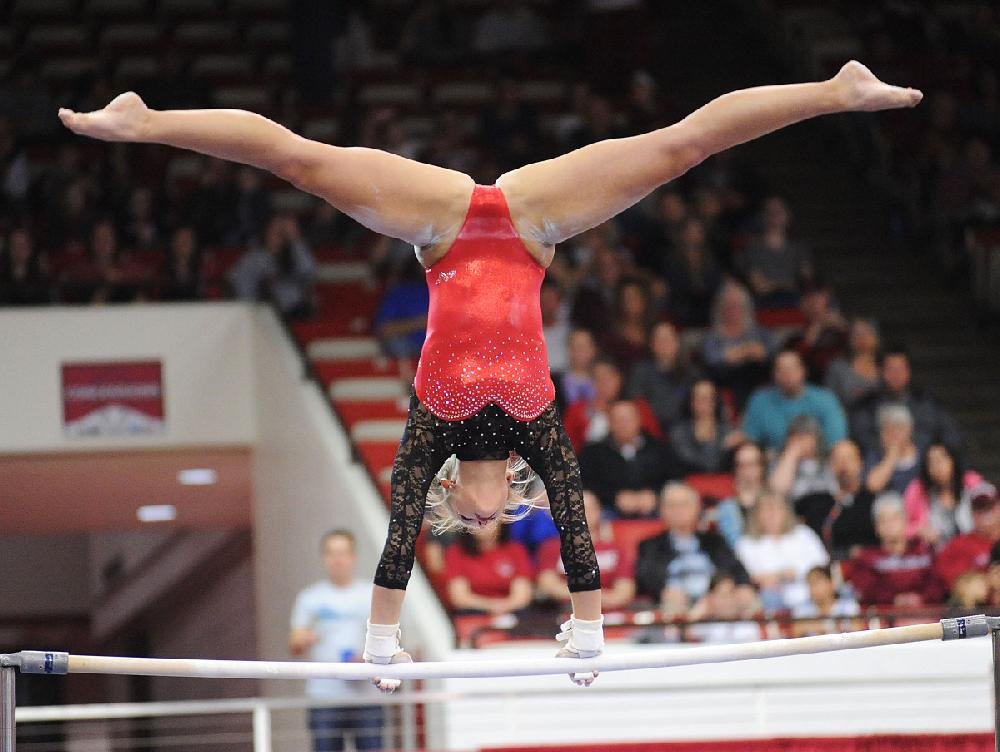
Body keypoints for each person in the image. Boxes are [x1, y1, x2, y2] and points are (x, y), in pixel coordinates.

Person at [61, 61, 922, 689]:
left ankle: (145, 122)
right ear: (504, 492)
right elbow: (577, 534)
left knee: (301, 160)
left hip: (438, 228)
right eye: (492, 517)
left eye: (466, 521)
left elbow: (400, 541)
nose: (481, 518)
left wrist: (380, 645)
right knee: (676, 149)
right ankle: (836, 94)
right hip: (534, 223)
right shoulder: (538, 437)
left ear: (452, 495)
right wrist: (588, 637)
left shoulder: (429, 432)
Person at [289, 531, 382, 752]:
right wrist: (306, 638)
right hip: (325, 696)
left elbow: (391, 639)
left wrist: (368, 657)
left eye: (342, 553)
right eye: (331, 553)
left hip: (366, 696)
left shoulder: (372, 594)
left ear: (353, 556)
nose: (337, 560)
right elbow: (294, 643)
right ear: (323, 557)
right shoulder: (310, 598)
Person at [635, 482, 753, 616]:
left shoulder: (715, 541)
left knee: (747, 599)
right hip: (678, 600)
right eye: (671, 506)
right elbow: (645, 577)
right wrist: (663, 590)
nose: (678, 511)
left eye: (684, 505)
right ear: (661, 510)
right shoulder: (650, 545)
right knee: (672, 605)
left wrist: (742, 585)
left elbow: (737, 569)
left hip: (716, 597)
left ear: (697, 508)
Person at [850, 346, 962, 455]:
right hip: (879, 466)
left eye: (901, 369)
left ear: (909, 371)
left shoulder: (927, 403)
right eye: (891, 369)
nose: (896, 375)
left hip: (922, 466)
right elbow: (861, 439)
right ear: (880, 371)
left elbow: (951, 436)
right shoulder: (866, 405)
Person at [537, 490, 636, 609]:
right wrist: (588, 597)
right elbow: (548, 584)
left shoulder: (617, 549)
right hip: (565, 613)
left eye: (588, 509)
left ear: (599, 512)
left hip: (609, 614)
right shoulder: (552, 547)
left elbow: (624, 591)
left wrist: (589, 599)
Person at [734, 491, 829, 611]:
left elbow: (821, 565)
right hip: (769, 600)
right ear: (756, 514)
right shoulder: (746, 543)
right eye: (766, 509)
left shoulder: (803, 534)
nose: (772, 514)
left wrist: (784, 575)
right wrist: (785, 575)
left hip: (810, 595)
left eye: (777, 508)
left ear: (786, 511)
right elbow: (754, 577)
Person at [579, 399, 675, 518]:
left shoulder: (659, 448)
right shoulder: (593, 452)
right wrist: (615, 497)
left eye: (628, 419)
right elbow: (586, 484)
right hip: (608, 510)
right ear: (609, 423)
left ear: (639, 420)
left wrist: (655, 494)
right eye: (618, 420)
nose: (624, 424)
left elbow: (674, 478)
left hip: (654, 508)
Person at [848, 492, 944, 608]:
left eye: (895, 518)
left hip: (925, 614)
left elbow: (938, 584)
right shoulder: (867, 559)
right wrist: (894, 599)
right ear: (876, 527)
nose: (890, 525)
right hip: (886, 618)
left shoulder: (925, 553)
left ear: (906, 521)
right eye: (883, 520)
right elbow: (866, 590)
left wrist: (921, 598)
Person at [741, 349, 848, 451]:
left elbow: (836, 438)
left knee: (843, 449)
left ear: (803, 370)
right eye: (781, 369)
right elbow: (751, 439)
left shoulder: (825, 398)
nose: (787, 374)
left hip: (820, 462)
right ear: (774, 374)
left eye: (792, 368)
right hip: (773, 462)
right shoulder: (760, 401)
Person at [794, 439, 878, 560]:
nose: (843, 464)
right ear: (830, 465)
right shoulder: (816, 502)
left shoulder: (873, 501)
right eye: (837, 459)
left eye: (849, 458)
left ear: (860, 463)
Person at [701, 279, 775, 409]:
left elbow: (771, 351)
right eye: (728, 307)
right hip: (725, 381)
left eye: (737, 306)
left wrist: (760, 352)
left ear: (746, 308)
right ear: (720, 309)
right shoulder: (713, 335)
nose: (733, 311)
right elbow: (710, 358)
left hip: (756, 379)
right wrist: (733, 355)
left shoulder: (758, 331)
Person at [229, 213, 317, 319]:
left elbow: (310, 271)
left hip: (296, 313)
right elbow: (244, 290)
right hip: (263, 315)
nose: (278, 234)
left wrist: (295, 239)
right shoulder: (253, 259)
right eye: (275, 230)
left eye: (282, 232)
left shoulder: (294, 254)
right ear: (266, 231)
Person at [736, 196, 814, 307]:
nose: (774, 215)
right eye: (770, 211)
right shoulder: (752, 248)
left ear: (788, 215)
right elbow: (760, 287)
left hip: (796, 302)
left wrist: (775, 285)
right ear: (763, 217)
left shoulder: (800, 247)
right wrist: (789, 285)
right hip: (765, 304)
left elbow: (807, 280)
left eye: (779, 211)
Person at [904, 443, 984, 546]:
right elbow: (902, 527)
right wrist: (919, 530)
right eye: (931, 463)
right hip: (934, 555)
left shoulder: (973, 484)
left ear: (953, 460)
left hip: (974, 550)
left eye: (941, 460)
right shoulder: (917, 490)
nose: (937, 466)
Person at [444, 523, 534, 615]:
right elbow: (459, 598)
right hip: (472, 614)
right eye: (477, 519)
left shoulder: (516, 550)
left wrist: (503, 607)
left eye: (490, 519)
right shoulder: (456, 552)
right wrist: (492, 606)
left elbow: (522, 596)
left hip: (513, 614)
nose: (483, 524)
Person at [626, 320, 697, 429]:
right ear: (652, 344)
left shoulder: (691, 373)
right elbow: (636, 403)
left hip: (684, 429)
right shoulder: (640, 371)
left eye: (668, 339)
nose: (664, 344)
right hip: (649, 429)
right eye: (659, 339)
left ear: (677, 342)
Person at [669, 378, 743, 475]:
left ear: (715, 402)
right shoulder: (678, 433)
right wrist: (723, 447)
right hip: (688, 485)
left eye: (708, 398)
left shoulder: (728, 431)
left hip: (722, 484)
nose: (703, 403)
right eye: (698, 398)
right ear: (691, 402)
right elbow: (704, 466)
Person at [935, 483, 1000, 591]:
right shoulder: (958, 545)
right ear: (971, 513)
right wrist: (985, 581)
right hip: (975, 605)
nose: (984, 514)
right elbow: (943, 575)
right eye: (979, 509)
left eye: (989, 508)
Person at [768, 414, 837, 504]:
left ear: (816, 439)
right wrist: (791, 453)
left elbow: (835, 494)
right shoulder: (780, 462)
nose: (801, 442)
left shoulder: (826, 463)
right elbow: (775, 493)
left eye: (805, 436)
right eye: (796, 436)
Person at [711, 442, 766, 547]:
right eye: (741, 465)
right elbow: (733, 545)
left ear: (762, 466)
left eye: (751, 464)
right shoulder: (727, 508)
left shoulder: (777, 501)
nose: (746, 470)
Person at [824, 317, 881, 409]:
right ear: (850, 339)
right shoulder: (837, 368)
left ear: (876, 338)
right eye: (857, 334)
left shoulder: (886, 368)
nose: (862, 338)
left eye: (867, 332)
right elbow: (828, 403)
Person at [864, 404, 920, 495]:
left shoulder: (922, 453)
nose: (894, 435)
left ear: (909, 430)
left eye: (899, 429)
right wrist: (891, 457)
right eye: (888, 430)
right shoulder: (875, 456)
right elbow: (873, 486)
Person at [791, 565, 861, 636]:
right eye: (810, 583)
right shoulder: (802, 610)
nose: (813, 588)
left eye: (817, 582)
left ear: (831, 584)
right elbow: (796, 633)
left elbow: (857, 630)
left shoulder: (849, 606)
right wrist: (831, 627)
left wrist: (815, 626)